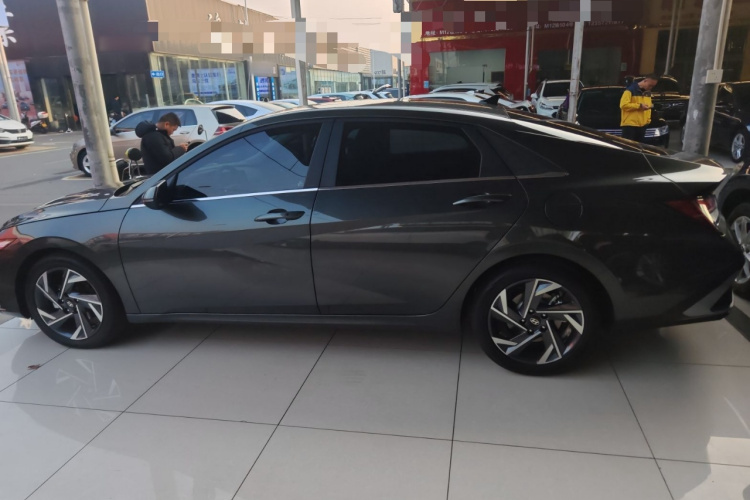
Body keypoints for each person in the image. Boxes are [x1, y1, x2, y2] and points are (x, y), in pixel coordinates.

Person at [620, 73, 658, 143]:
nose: (650, 88)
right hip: (630, 125)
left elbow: (648, 107)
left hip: (642, 125)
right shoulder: (630, 90)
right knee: (628, 146)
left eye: (653, 86)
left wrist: (647, 121)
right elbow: (623, 105)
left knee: (638, 147)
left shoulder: (647, 93)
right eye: (650, 85)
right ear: (645, 81)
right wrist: (639, 106)